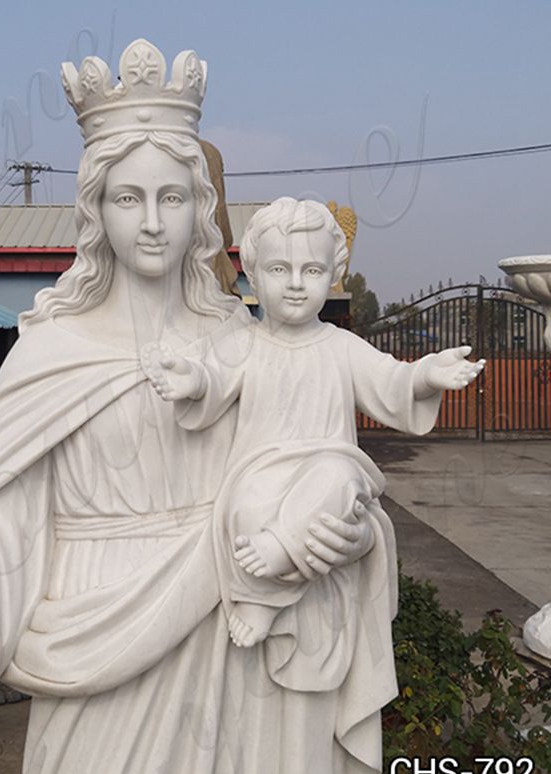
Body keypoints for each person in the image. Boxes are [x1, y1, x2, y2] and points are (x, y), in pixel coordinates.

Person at [0, 41, 386, 774]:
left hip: (238, 647)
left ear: (201, 209)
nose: (152, 222)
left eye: (172, 198)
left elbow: (316, 466)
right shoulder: (50, 353)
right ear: (95, 207)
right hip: (91, 646)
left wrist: (349, 533)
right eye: (128, 198)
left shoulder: (242, 345)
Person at [145, 197, 486, 650]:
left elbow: (392, 380)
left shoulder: (341, 346)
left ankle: (279, 560)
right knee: (246, 506)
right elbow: (213, 379)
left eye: (311, 271)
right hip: (261, 473)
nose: (295, 285)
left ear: (332, 276)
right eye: (279, 269)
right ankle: (261, 594)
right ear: (253, 271)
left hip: (326, 474)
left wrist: (426, 374)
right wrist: (190, 378)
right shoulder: (242, 344)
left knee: (341, 477)